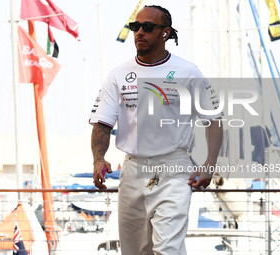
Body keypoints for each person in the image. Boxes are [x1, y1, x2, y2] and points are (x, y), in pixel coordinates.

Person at [89, 5, 223, 255]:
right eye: (135, 27)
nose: (139, 32)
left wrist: (209, 163)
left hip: (173, 167)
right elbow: (102, 124)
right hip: (132, 170)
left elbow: (214, 119)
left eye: (148, 27)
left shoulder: (188, 71)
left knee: (167, 249)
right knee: (134, 251)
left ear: (165, 33)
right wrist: (98, 159)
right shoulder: (118, 75)